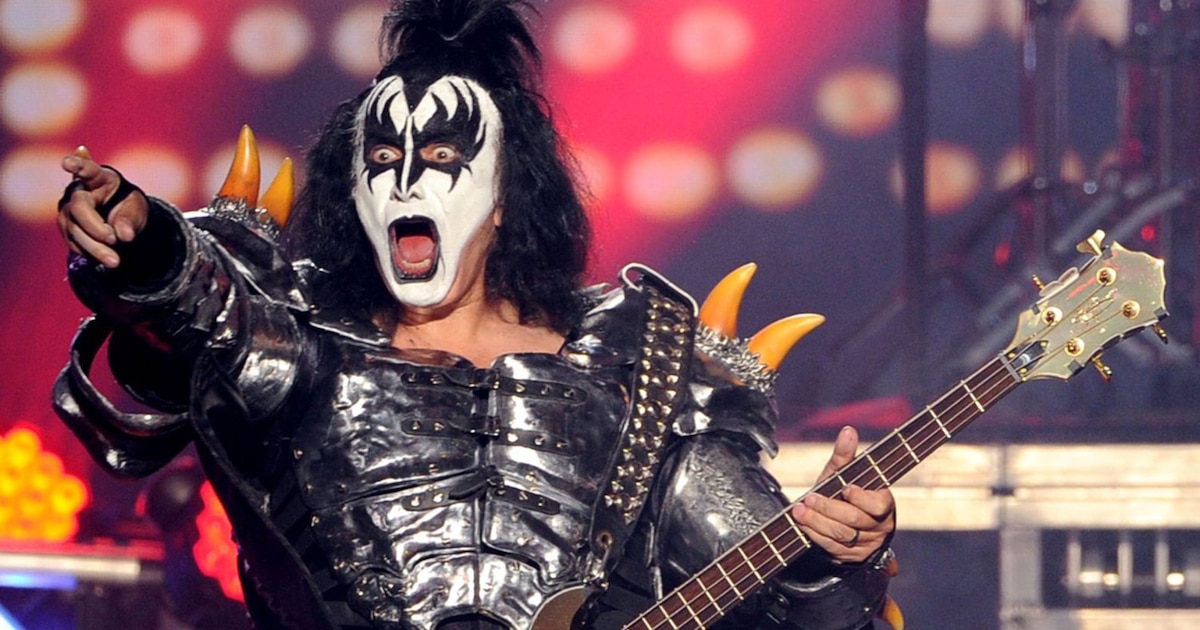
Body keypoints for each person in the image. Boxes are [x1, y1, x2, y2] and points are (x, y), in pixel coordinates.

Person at [52, 0, 896, 628]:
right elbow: (201, 309)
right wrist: (144, 240)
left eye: (442, 155)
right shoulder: (305, 349)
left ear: (505, 197)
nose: (406, 182)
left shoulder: (640, 370)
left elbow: (784, 602)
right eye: (384, 156)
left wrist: (841, 551)